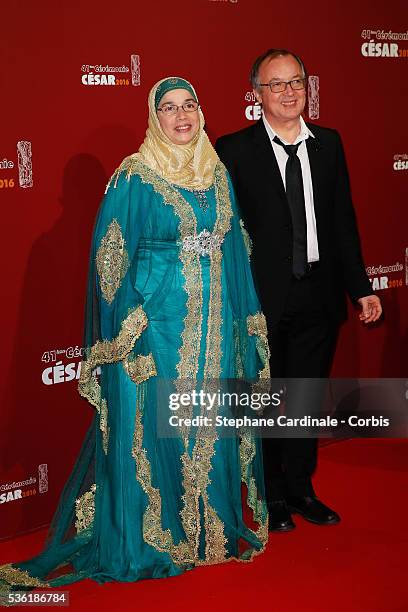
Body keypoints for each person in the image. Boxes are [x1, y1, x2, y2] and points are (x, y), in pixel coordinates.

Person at [0, 77, 269, 594]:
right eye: (169, 108)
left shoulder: (216, 171)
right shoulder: (135, 176)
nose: (182, 116)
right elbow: (111, 260)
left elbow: (236, 248)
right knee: (153, 430)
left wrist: (241, 320)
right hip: (155, 328)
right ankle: (155, 543)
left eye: (189, 104)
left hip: (209, 328)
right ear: (154, 117)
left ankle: (205, 535)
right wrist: (129, 331)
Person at [215, 49, 382, 532]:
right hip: (261, 300)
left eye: (296, 82)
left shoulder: (329, 144)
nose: (289, 92)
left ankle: (302, 489)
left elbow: (343, 223)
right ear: (256, 95)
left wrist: (361, 288)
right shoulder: (234, 149)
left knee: (304, 400)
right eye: (276, 84)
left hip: (319, 295)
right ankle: (270, 495)